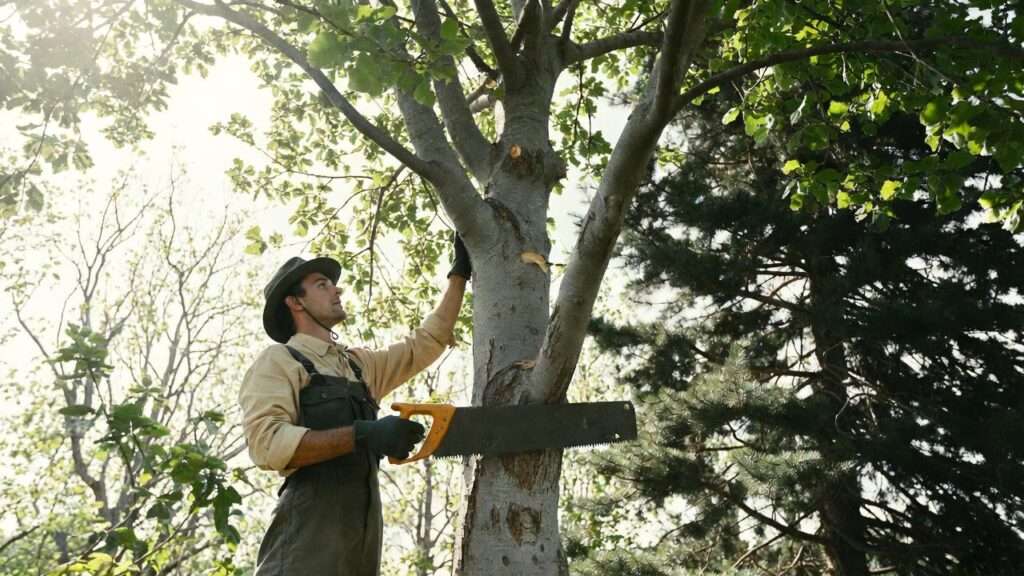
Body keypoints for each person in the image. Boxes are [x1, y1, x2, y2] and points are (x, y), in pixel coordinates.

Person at [240, 236, 471, 575]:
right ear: (295, 302)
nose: (337, 290)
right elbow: (267, 445)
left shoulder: (358, 366)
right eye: (322, 285)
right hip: (302, 553)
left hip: (360, 552)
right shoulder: (280, 361)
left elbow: (426, 343)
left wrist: (460, 273)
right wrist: (363, 434)